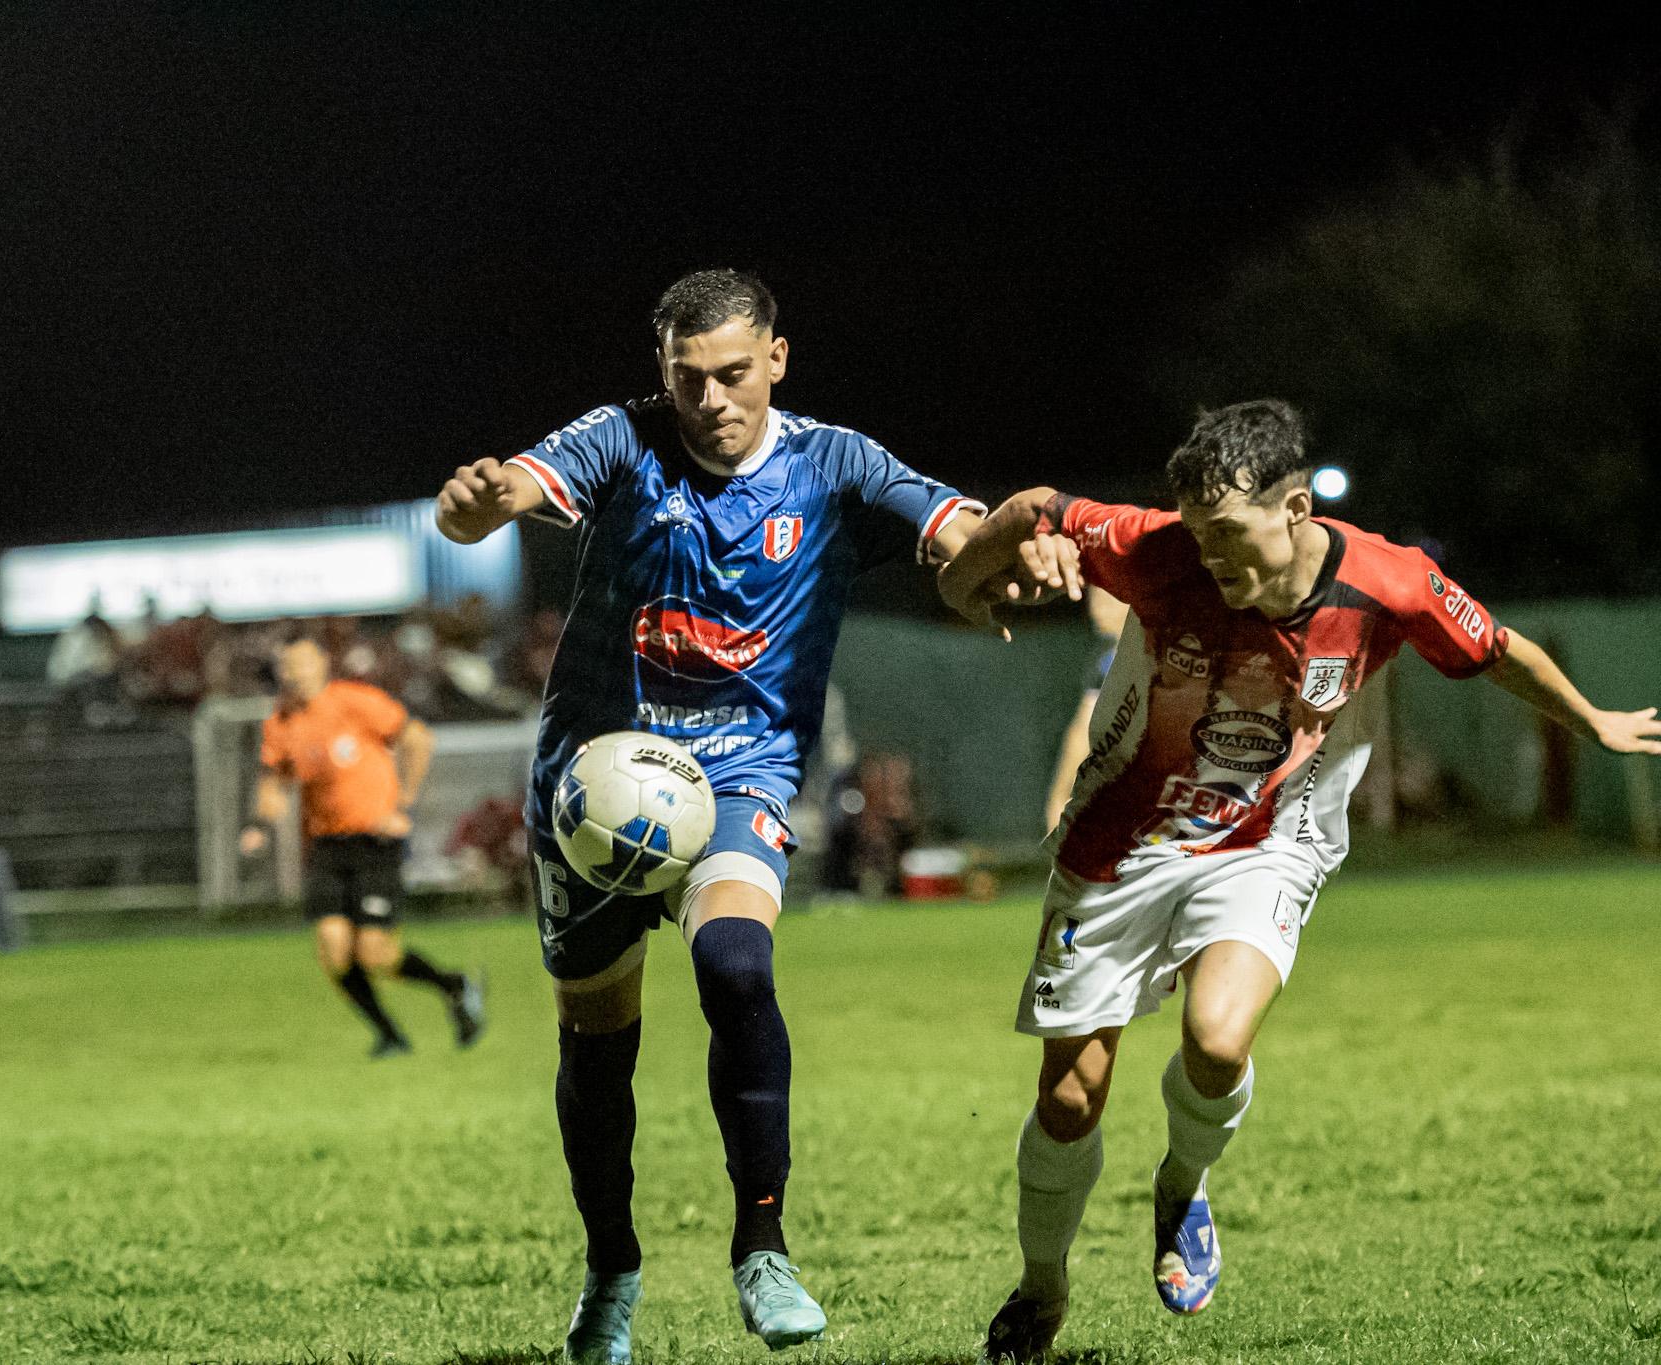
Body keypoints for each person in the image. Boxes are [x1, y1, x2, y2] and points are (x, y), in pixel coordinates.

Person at [935, 400, 1661, 1361]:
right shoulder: (1161, 549)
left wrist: (1595, 721)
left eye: (1228, 533)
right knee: (1070, 1099)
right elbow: (1036, 507)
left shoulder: (1388, 583)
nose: (1209, 554)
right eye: (1196, 531)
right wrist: (963, 583)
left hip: (1267, 839)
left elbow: (1497, 648)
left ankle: (1181, 1185)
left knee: (1218, 1036)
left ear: (1294, 506)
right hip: (1119, 839)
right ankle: (1042, 1283)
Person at [435, 268, 986, 1361]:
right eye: (688, 380)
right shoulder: (622, 441)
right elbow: (520, 488)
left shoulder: (833, 463)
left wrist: (1009, 552)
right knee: (599, 1049)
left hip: (740, 775)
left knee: (735, 964)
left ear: (776, 358)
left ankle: (761, 1248)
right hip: (594, 787)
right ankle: (611, 1270)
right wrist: (478, 507)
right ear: (662, 375)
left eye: (734, 373)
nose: (712, 399)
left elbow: (953, 522)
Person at [241, 637, 486, 1058]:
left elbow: (417, 738)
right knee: (334, 949)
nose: (292, 673)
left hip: (375, 842)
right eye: (286, 665)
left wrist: (404, 799)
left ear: (321, 663)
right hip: (327, 846)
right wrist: (261, 824)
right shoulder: (280, 722)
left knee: (375, 953)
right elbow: (275, 781)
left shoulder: (354, 701)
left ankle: (454, 985)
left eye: (300, 662)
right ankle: (391, 1035)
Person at [1043, 586, 1128, 832]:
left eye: (1108, 598)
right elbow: (1082, 731)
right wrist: (1059, 800)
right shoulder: (1105, 661)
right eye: (1094, 597)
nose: (1097, 608)